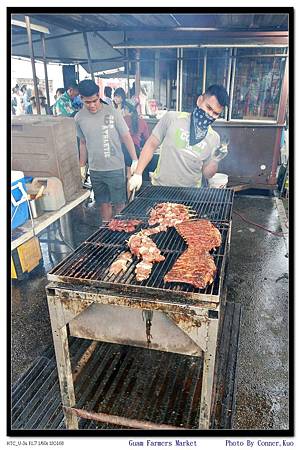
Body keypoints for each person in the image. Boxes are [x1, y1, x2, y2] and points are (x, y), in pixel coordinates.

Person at [129, 84, 229, 192]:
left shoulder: (214, 138)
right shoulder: (172, 118)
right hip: (160, 188)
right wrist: (138, 173)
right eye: (208, 107)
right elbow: (151, 145)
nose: (209, 114)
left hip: (191, 194)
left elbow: (207, 174)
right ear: (200, 100)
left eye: (215, 113)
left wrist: (215, 160)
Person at [75, 80, 138, 223]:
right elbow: (83, 143)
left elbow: (126, 136)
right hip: (96, 169)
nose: (92, 105)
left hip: (115, 167)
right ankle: (107, 229)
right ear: (81, 99)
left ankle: (120, 230)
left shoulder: (112, 112)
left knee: (119, 204)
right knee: (103, 203)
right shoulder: (79, 118)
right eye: (87, 102)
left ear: (99, 95)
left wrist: (135, 159)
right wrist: (81, 166)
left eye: (94, 101)